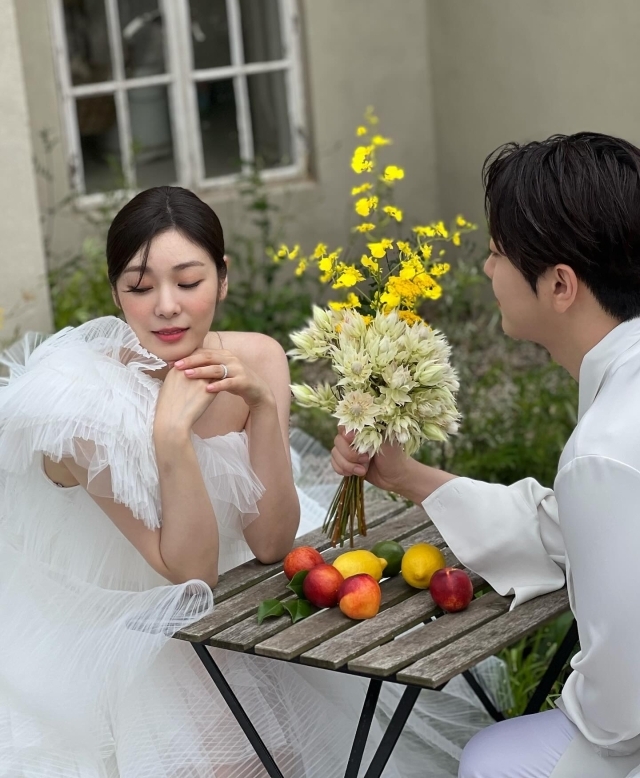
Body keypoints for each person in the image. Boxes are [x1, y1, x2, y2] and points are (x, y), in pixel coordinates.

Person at [0, 185, 499, 778]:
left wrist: (262, 407)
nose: (166, 306)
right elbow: (190, 575)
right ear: (116, 294)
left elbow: (269, 544)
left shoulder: (258, 359)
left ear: (223, 278)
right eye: (139, 287)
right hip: (123, 621)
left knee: (305, 750)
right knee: (239, 762)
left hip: (235, 598)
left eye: (188, 282)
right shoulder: (83, 405)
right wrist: (170, 438)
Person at [331, 133, 640, 778]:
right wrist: (408, 475)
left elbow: (622, 711)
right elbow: (562, 526)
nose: (487, 270)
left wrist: (577, 704)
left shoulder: (606, 449)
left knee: (491, 759)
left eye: (497, 252)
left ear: (560, 284)